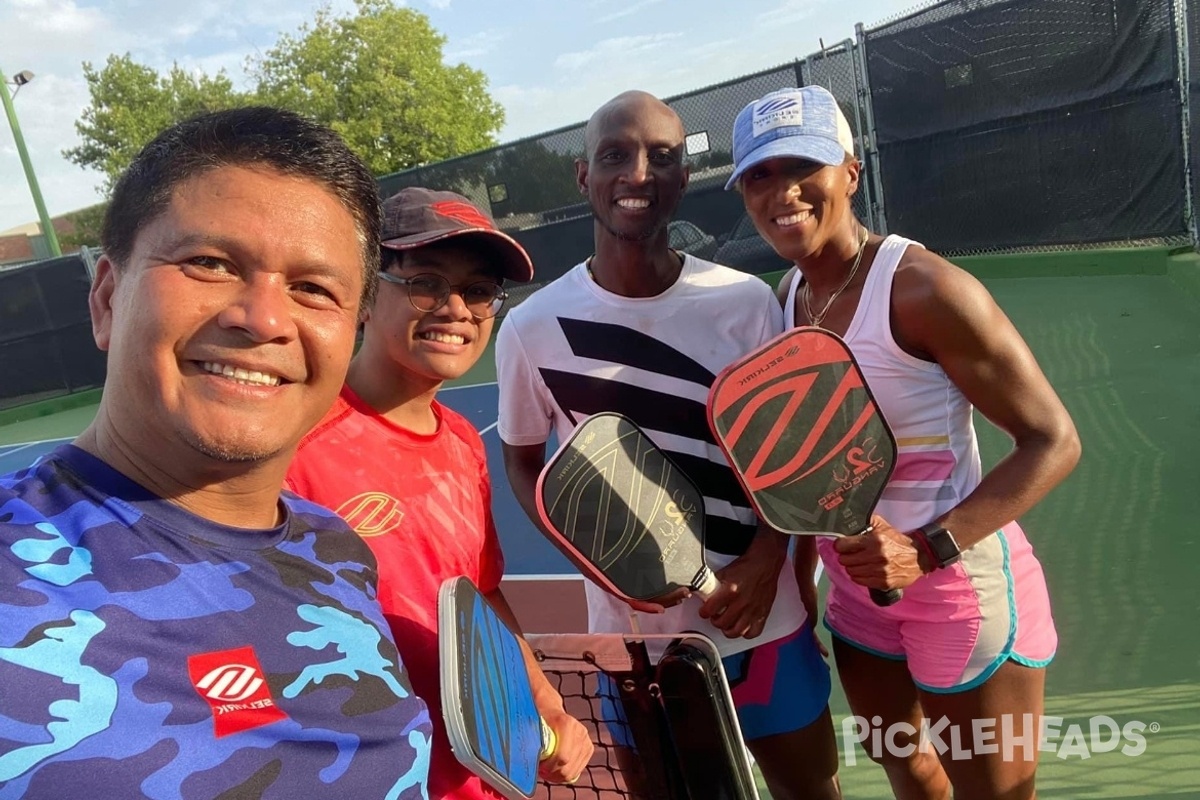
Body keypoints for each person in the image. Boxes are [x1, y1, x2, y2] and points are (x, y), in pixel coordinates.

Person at [0, 108, 433, 798]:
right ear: (107, 299)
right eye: (209, 263)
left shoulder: (337, 549)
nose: (262, 318)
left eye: (313, 289)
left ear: (350, 332)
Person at [727, 85, 1082, 800]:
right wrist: (797, 583)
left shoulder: (924, 290)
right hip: (857, 602)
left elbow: (1053, 441)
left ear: (850, 172)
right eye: (759, 175)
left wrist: (926, 550)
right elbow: (803, 461)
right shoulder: (784, 299)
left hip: (959, 591)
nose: (782, 192)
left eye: (804, 166)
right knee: (906, 767)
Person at [496, 90, 842, 800]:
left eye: (662, 158)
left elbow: (792, 459)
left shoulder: (747, 303)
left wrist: (767, 559)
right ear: (582, 176)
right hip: (636, 647)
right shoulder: (532, 328)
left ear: (685, 178)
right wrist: (603, 556)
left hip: (761, 621)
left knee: (812, 789)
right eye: (615, 155)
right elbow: (525, 459)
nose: (638, 174)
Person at [285, 187, 593, 798]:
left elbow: (482, 598)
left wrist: (545, 702)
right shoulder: (290, 441)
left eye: (478, 291)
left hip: (473, 775)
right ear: (366, 294)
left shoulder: (463, 444)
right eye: (425, 281)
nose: (455, 308)